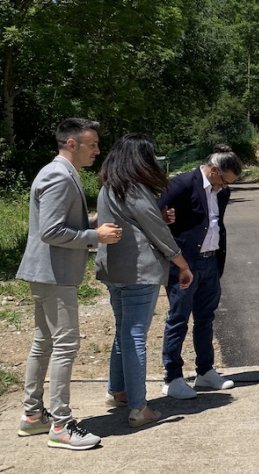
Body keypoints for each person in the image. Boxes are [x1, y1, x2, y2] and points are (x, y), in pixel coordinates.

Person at [15, 118, 119, 450]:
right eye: (93, 144)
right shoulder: (59, 176)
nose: (97, 150)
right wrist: (95, 235)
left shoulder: (59, 172)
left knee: (44, 342)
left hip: (47, 273)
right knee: (65, 345)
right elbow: (51, 232)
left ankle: (33, 416)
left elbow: (58, 223)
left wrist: (91, 222)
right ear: (72, 144)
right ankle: (61, 425)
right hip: (54, 274)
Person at [96, 133, 193, 427]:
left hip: (113, 269)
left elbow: (137, 222)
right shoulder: (134, 188)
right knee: (135, 335)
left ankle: (118, 391)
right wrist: (182, 264)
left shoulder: (108, 187)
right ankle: (139, 408)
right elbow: (157, 232)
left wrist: (158, 217)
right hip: (139, 270)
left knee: (123, 331)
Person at [159, 145, 242, 399]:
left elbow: (216, 222)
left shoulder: (222, 191)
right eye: (223, 181)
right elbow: (156, 213)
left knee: (206, 319)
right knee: (178, 319)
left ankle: (205, 371)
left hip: (210, 261)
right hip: (185, 263)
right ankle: (172, 377)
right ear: (214, 170)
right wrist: (165, 217)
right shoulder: (183, 184)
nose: (224, 188)